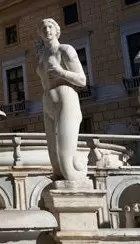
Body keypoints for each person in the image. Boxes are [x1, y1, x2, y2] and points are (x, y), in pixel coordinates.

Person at [35, 18, 87, 181]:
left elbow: (82, 80)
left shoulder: (65, 50)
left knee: (67, 164)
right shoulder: (42, 55)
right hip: (48, 102)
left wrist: (61, 72)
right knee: (55, 164)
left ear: (57, 30)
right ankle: (59, 199)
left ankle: (78, 190)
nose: (47, 30)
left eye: (50, 26)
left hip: (66, 100)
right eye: (43, 28)